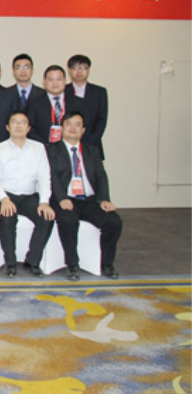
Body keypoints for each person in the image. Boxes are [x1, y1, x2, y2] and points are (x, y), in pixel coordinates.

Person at [47, 112, 122, 281]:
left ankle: (106, 263)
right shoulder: (51, 150)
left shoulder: (91, 150)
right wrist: (61, 198)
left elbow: (101, 176)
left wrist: (104, 199)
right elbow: (51, 177)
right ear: (62, 128)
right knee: (67, 220)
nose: (73, 128)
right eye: (69, 124)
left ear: (83, 130)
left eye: (77, 124)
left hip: (89, 200)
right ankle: (72, 264)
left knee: (114, 221)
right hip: (65, 199)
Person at [0, 110, 55, 278]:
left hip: (30, 196)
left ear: (29, 128)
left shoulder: (38, 148)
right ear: (7, 127)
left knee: (46, 217)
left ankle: (32, 261)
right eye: (14, 122)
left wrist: (44, 201)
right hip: (6, 195)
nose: (18, 126)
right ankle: (10, 262)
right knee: (7, 217)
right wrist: (4, 199)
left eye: (23, 122)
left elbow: (44, 177)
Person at [27, 65, 85, 145]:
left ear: (65, 81)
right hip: (43, 147)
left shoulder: (78, 102)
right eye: (51, 79)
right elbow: (30, 128)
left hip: (70, 147)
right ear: (44, 81)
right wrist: (45, 145)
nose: (55, 83)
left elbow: (83, 127)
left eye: (59, 79)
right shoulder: (34, 103)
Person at [65, 54, 109, 159]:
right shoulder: (63, 91)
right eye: (75, 68)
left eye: (83, 67)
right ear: (69, 70)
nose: (79, 71)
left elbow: (101, 120)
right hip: (67, 144)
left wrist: (91, 140)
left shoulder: (99, 92)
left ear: (88, 70)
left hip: (93, 145)